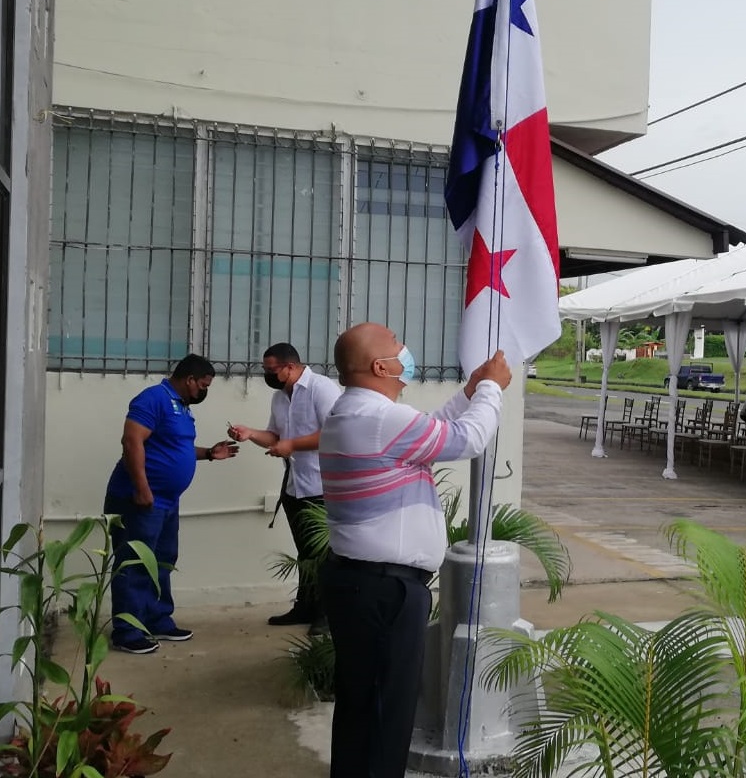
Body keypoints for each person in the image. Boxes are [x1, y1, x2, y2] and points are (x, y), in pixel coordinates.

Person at [318, 323, 511, 778]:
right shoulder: (380, 419)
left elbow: (434, 428)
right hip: (384, 590)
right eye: (395, 343)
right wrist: (491, 388)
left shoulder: (358, 415)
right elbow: (466, 438)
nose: (406, 349)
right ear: (380, 366)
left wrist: (468, 392)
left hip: (362, 583)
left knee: (363, 707)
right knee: (386, 716)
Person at [104, 354, 239, 654]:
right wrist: (142, 489)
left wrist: (208, 453)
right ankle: (127, 632)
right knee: (135, 562)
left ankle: (157, 619)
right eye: (203, 385)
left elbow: (174, 447)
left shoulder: (180, 408)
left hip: (166, 501)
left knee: (163, 559)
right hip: (138, 498)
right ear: (189, 379)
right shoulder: (154, 398)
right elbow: (131, 441)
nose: (204, 391)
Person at [227, 342, 342, 634]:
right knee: (305, 553)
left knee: (326, 555)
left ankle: (327, 616)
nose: (267, 375)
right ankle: (304, 607)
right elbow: (275, 436)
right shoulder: (280, 398)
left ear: (290, 367)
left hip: (322, 486)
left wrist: (291, 445)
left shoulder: (321, 388)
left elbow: (334, 433)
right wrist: (250, 433)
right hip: (295, 486)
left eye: (271, 370)